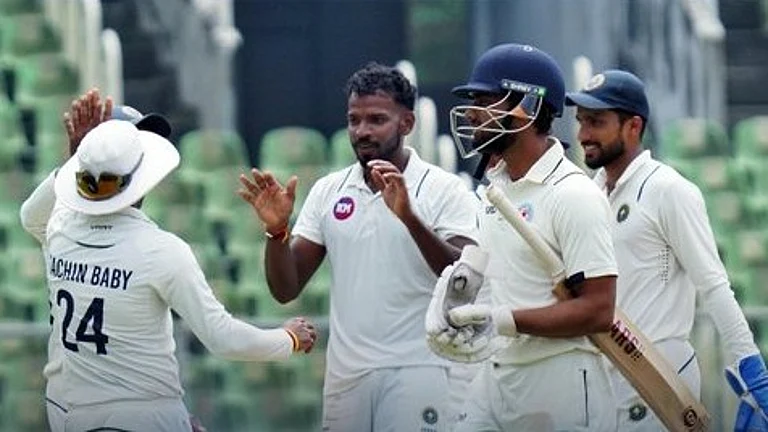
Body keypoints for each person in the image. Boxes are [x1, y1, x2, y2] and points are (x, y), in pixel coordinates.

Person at [19, 95, 317, 432]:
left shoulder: (60, 228)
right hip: (142, 415)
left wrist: (77, 163)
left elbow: (31, 216)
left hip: (66, 410)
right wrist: (288, 338)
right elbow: (223, 338)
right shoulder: (161, 251)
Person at [238, 62, 479, 431]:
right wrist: (276, 233)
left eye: (376, 120)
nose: (362, 131)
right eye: (354, 120)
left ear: (407, 124)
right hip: (346, 377)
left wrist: (410, 217)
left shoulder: (443, 189)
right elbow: (286, 289)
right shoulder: (328, 191)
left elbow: (464, 282)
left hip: (420, 371)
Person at [427, 42, 620, 431]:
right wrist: (452, 306)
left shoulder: (572, 194)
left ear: (528, 108)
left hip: (561, 380)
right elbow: (493, 278)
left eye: (486, 100)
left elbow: (599, 311)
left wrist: (501, 320)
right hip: (497, 376)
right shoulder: (494, 189)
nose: (473, 114)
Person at [566, 69, 768, 432]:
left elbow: (713, 285)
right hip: (602, 384)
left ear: (633, 126)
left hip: (662, 379)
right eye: (581, 122)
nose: (583, 135)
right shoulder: (587, 196)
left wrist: (751, 366)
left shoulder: (669, 190)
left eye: (596, 122)